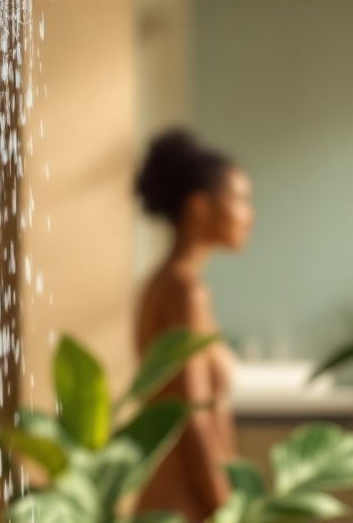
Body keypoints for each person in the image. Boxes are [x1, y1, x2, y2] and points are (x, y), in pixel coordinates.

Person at [132, 128, 254, 522]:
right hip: (184, 506)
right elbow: (192, 416)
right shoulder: (184, 291)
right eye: (240, 200)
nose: (249, 214)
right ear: (200, 207)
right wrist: (227, 509)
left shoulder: (167, 284)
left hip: (182, 500)